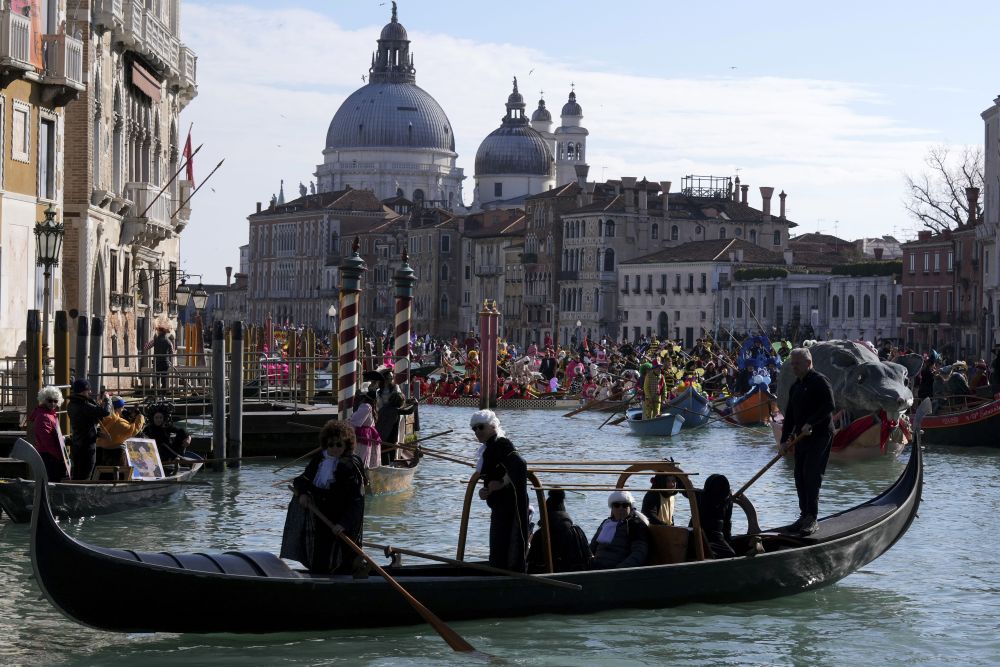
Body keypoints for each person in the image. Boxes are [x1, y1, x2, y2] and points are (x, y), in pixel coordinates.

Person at [286, 420, 368, 574]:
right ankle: (319, 578)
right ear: (326, 444)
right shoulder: (319, 459)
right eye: (331, 445)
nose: (334, 448)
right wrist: (303, 493)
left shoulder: (351, 465)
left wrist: (343, 523)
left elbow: (356, 500)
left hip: (345, 518)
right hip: (322, 515)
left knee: (348, 559)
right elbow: (302, 480)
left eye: (339, 445)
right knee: (320, 555)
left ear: (346, 445)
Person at [779, 347, 835, 535]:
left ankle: (812, 517)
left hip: (820, 435)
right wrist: (784, 440)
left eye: (796, 364)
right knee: (799, 476)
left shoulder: (820, 381)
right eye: (792, 364)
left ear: (808, 363)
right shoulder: (796, 386)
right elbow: (790, 417)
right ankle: (804, 515)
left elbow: (829, 405)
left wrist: (811, 422)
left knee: (811, 474)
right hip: (802, 438)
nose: (793, 367)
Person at [472, 409, 530, 572]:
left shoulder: (501, 443)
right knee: (498, 549)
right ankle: (499, 574)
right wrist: (484, 491)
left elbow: (520, 465)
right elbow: (490, 477)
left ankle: (510, 579)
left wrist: (501, 483)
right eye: (474, 428)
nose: (477, 432)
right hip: (499, 506)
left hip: (511, 507)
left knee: (510, 549)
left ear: (492, 427)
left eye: (481, 427)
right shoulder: (488, 448)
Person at [526, 489, 592, 573]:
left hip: (547, 582)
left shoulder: (540, 535)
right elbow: (588, 558)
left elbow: (532, 565)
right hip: (575, 579)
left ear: (545, 513)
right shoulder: (577, 532)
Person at [590, 490, 650, 569]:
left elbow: (639, 553)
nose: (621, 508)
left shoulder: (636, 525)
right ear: (612, 508)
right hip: (595, 568)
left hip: (616, 571)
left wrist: (619, 570)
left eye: (625, 505)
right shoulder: (606, 523)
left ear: (630, 507)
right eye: (616, 505)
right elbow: (592, 548)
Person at [66, 379, 111, 480]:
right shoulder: (84, 405)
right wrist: (107, 400)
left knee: (77, 475)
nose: (90, 392)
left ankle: (75, 494)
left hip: (76, 445)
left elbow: (83, 424)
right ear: (83, 391)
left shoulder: (71, 404)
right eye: (88, 390)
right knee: (85, 475)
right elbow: (105, 412)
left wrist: (97, 432)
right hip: (86, 447)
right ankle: (82, 495)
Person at [26, 386, 69, 481]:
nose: (53, 403)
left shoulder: (49, 414)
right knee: (53, 483)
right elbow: (47, 441)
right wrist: (59, 456)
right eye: (50, 400)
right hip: (49, 455)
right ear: (44, 400)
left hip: (49, 454)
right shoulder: (44, 416)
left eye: (55, 401)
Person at [96, 397, 146, 468]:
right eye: (122, 407)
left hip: (101, 454)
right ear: (116, 409)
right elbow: (133, 430)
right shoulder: (119, 423)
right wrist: (140, 417)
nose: (123, 410)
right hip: (117, 456)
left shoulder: (102, 419)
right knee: (119, 477)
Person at [695, 474, 735, 558]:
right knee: (730, 554)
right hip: (701, 536)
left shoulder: (727, 500)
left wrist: (728, 542)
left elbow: (727, 524)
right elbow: (685, 489)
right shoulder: (701, 495)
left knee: (730, 553)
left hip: (713, 537)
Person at [349, 399, 381, 468]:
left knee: (360, 455)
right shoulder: (370, 407)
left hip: (363, 434)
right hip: (367, 434)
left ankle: (360, 470)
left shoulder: (365, 406)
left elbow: (355, 421)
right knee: (365, 456)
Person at [144, 325, 176, 390]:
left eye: (158, 331)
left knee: (156, 379)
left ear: (160, 332)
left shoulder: (155, 340)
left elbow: (146, 348)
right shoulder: (168, 341)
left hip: (157, 362)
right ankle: (163, 395)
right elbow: (172, 353)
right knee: (164, 380)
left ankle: (154, 394)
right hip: (165, 362)